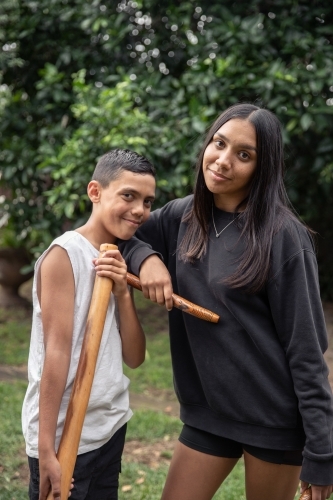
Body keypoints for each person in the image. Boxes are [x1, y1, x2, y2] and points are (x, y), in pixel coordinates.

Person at [120, 104, 333, 500]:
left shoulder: (284, 238)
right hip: (209, 413)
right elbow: (122, 232)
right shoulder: (183, 216)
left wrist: (321, 453)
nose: (223, 161)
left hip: (273, 419)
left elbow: (306, 352)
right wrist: (146, 259)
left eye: (244, 154)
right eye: (219, 144)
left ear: (262, 168)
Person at [22, 149, 156, 500]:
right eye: (128, 195)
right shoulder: (64, 255)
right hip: (65, 434)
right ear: (95, 192)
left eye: (147, 200)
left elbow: (136, 357)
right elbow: (57, 351)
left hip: (108, 427)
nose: (140, 209)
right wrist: (47, 449)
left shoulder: (116, 257)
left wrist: (124, 293)